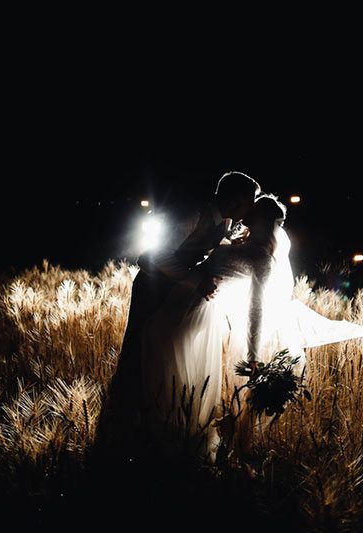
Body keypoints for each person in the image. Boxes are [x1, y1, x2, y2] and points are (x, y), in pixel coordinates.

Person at [139, 195, 363, 463]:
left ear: (263, 221)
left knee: (182, 378)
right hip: (180, 303)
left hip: (199, 315)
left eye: (252, 213)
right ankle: (156, 440)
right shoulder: (237, 243)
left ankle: (176, 447)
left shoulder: (262, 258)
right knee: (160, 368)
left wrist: (253, 353)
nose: (244, 216)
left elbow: (256, 308)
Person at [94, 171, 261, 462]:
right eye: (251, 200)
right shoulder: (192, 213)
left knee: (161, 354)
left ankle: (155, 422)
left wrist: (230, 245)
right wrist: (197, 281)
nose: (253, 205)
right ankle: (121, 427)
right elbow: (157, 255)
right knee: (139, 349)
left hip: (176, 289)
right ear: (236, 199)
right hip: (152, 286)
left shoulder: (227, 220)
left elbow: (202, 245)